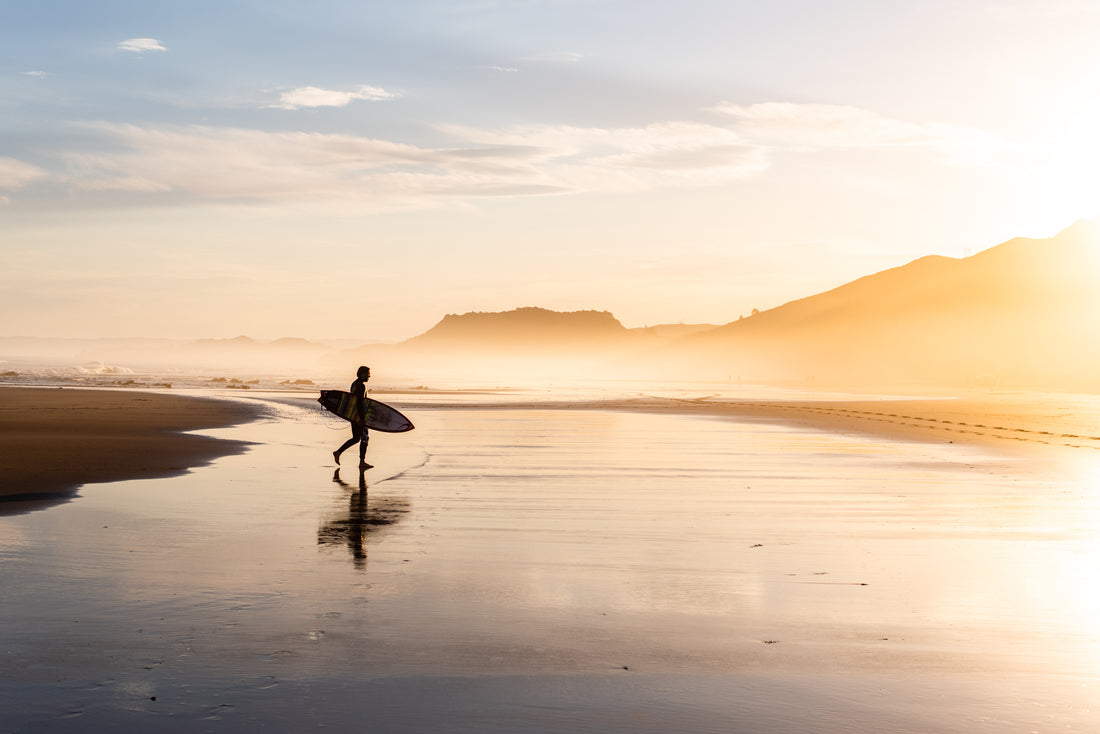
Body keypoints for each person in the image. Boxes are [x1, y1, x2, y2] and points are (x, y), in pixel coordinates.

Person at [333, 365, 373, 470]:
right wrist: (361, 418)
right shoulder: (361, 386)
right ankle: (362, 462)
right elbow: (359, 403)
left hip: (353, 415)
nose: (369, 376)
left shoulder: (355, 384)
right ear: (362, 373)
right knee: (364, 438)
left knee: (356, 438)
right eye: (367, 373)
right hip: (358, 416)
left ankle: (338, 452)